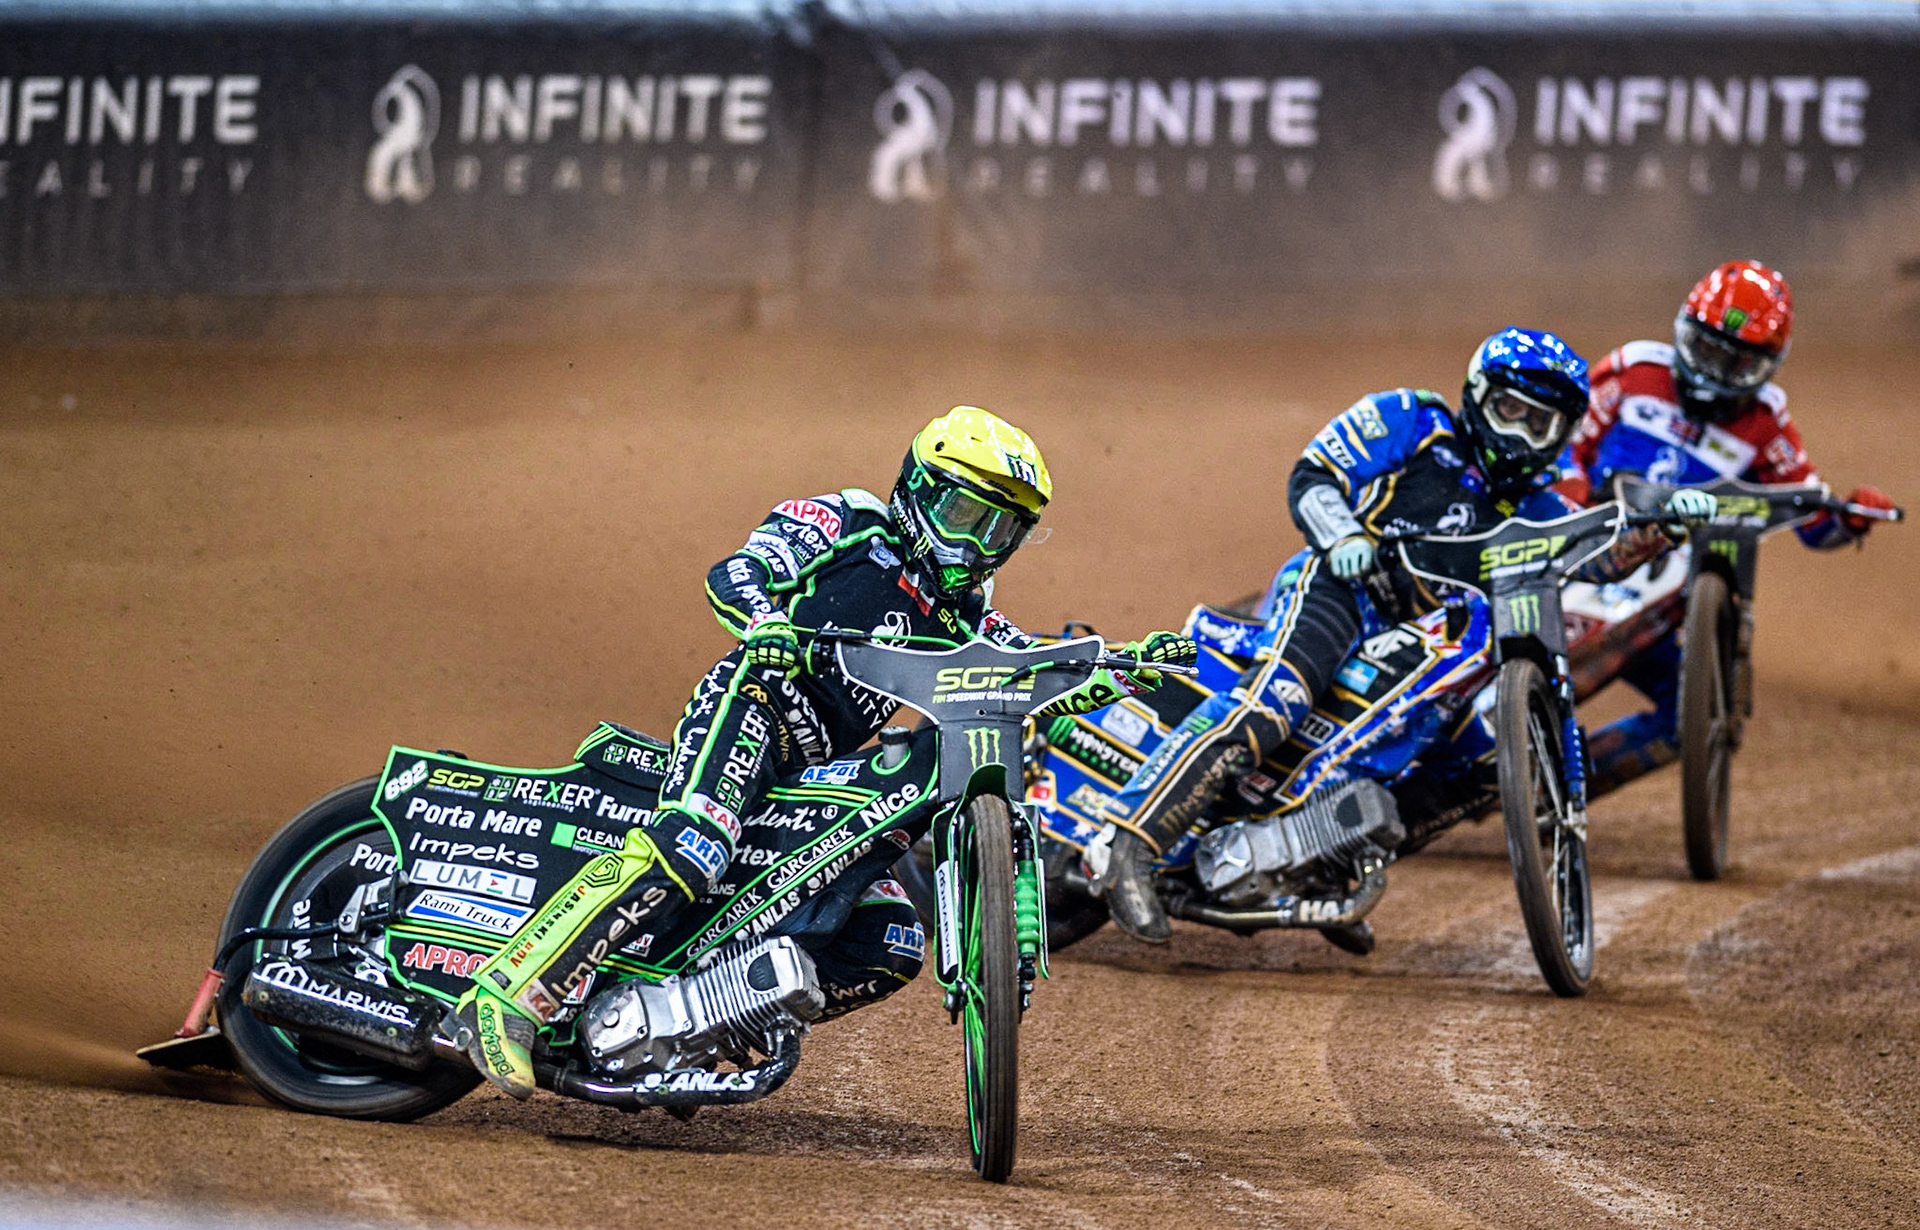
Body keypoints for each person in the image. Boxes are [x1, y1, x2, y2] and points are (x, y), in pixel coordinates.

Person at [450, 406, 1198, 1095]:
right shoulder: (847, 523)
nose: (977, 544)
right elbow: (737, 571)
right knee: (695, 844)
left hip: (818, 768)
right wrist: (764, 621)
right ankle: (509, 994)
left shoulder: (964, 612)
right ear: (919, 488)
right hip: (754, 708)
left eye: (1000, 530)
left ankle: (692, 1024)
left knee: (894, 937)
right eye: (966, 513)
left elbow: (1019, 673)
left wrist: (1118, 670)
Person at [1094, 328, 1714, 944]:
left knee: (1447, 762)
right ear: (1476, 396)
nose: (1519, 435)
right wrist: (1345, 539)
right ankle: (1129, 845)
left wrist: (1659, 530)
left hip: (1426, 637)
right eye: (1508, 411)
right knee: (1276, 704)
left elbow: (1599, 560)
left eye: (1540, 423)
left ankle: (1318, 875)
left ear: (1564, 433)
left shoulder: (1540, 508)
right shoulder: (1413, 420)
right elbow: (1314, 474)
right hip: (1340, 591)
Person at [1556, 260, 1893, 794]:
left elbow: (1808, 516)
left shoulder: (1768, 424)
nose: (1714, 371)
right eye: (1707, 348)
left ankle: (1558, 782)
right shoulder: (1632, 372)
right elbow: (1560, 441)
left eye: (1735, 363)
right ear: (1684, 328)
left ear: (1768, 365)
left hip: (1662, 597)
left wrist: (1848, 519)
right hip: (1580, 553)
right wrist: (1570, 488)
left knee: (1693, 714)